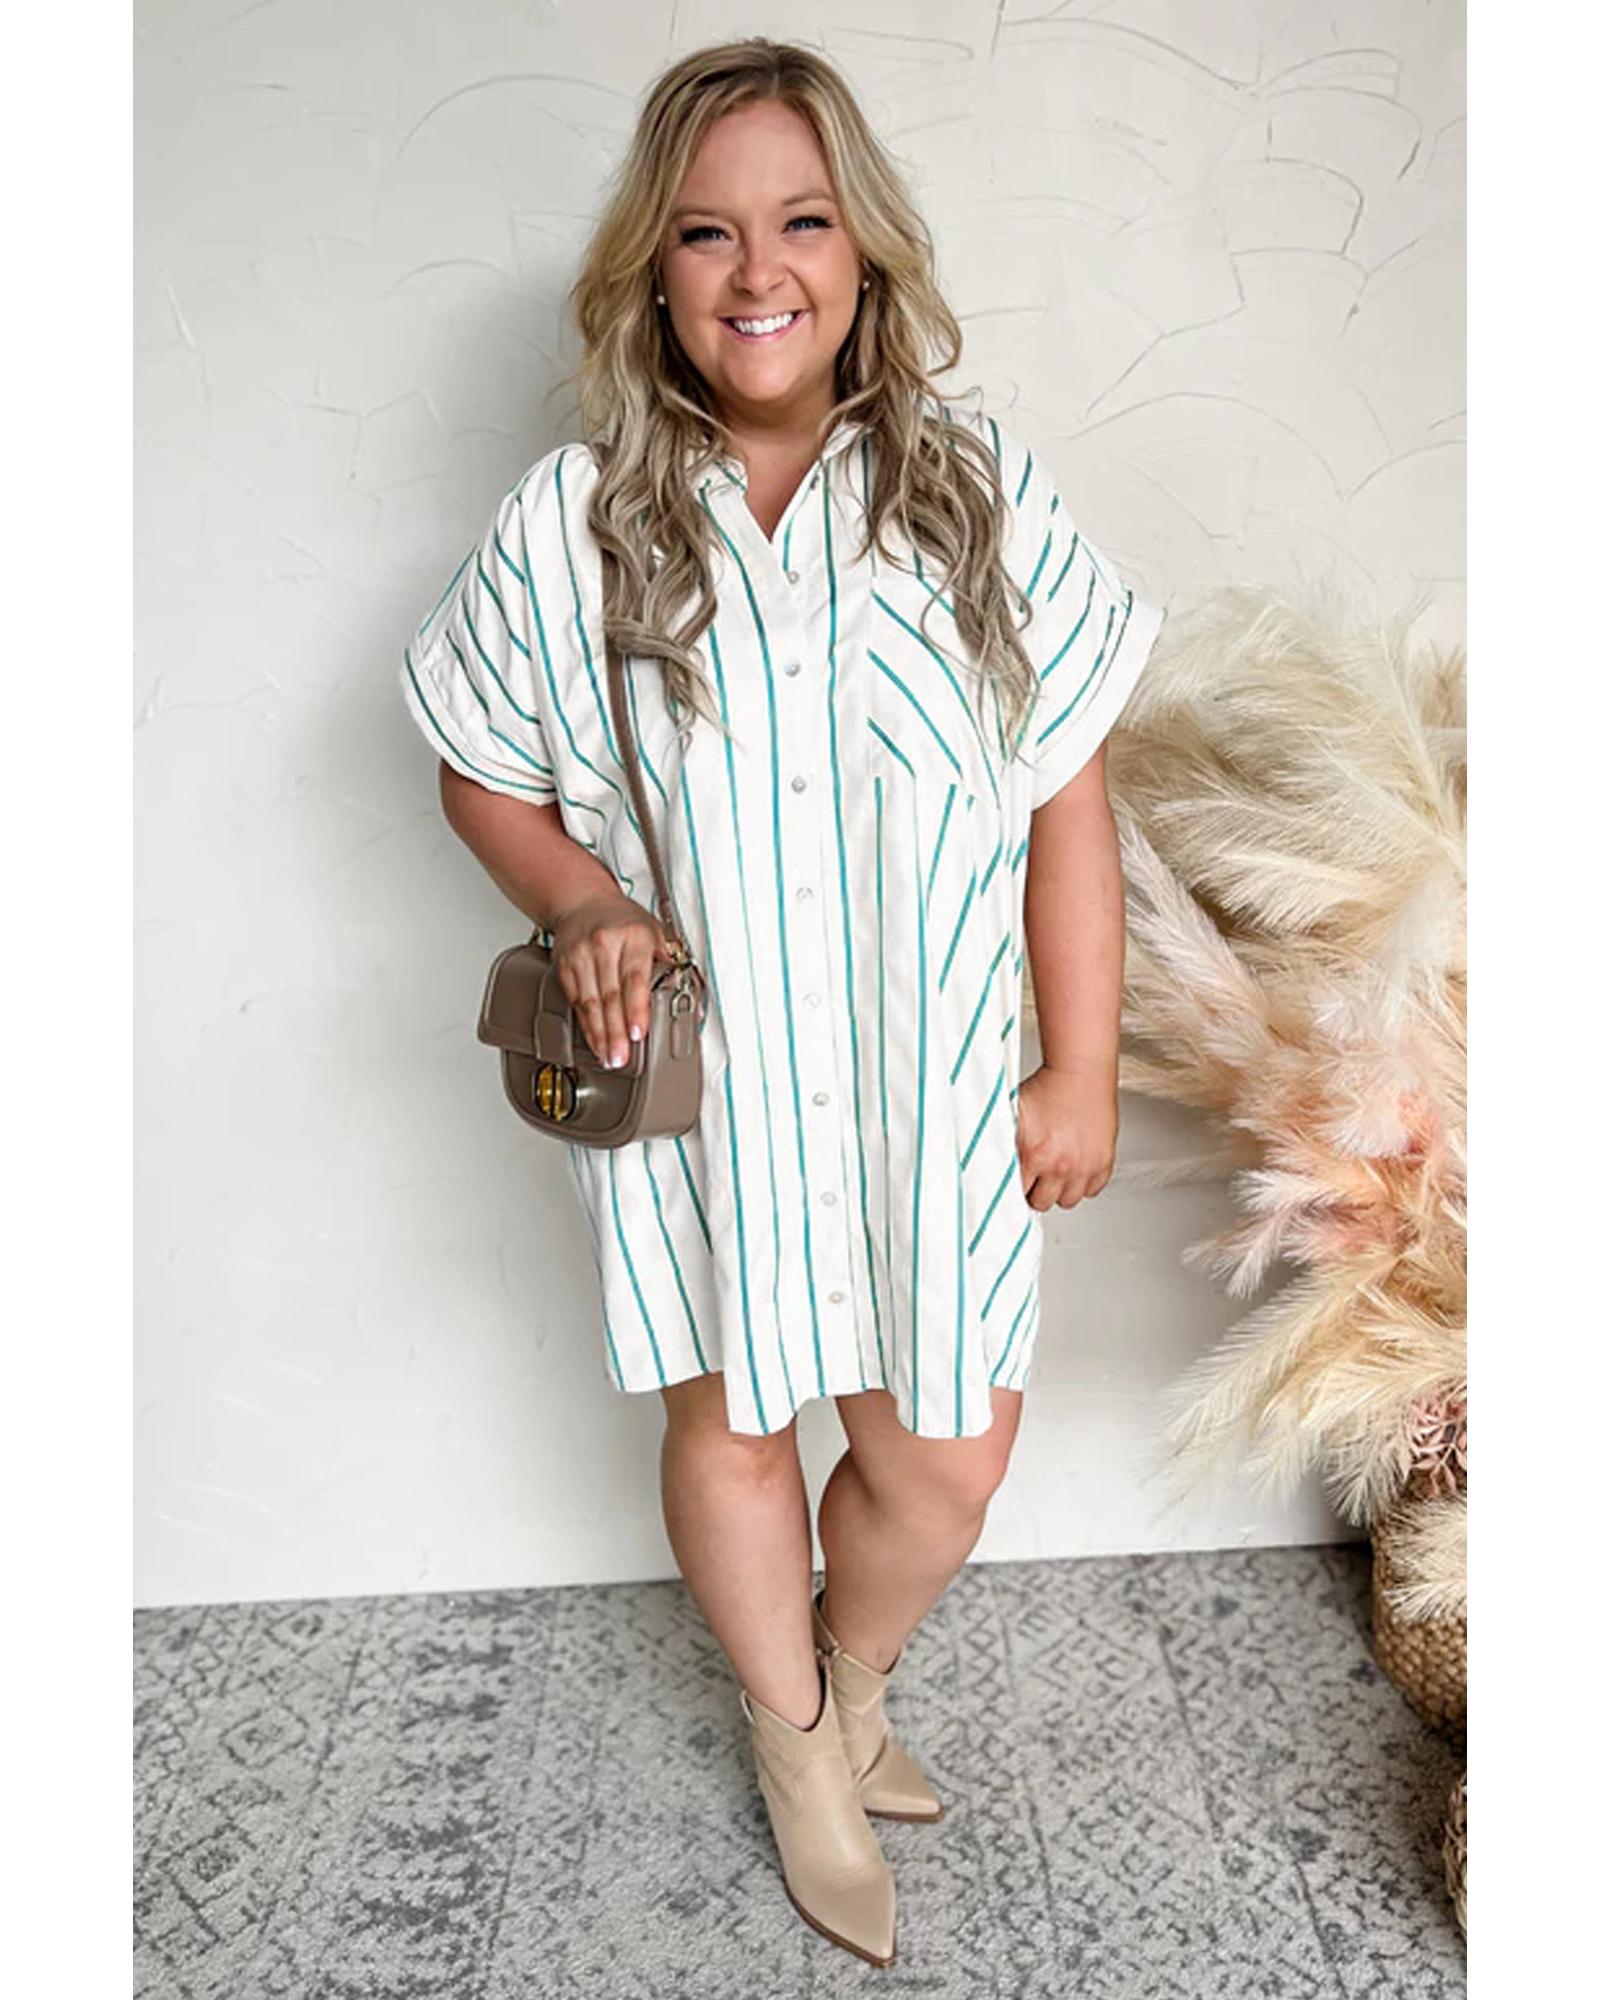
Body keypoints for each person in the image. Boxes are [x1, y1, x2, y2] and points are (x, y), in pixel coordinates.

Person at [399, 37, 1165, 1970]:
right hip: (706, 1089)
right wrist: (585, 898)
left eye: (803, 221)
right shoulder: (573, 520)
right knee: (736, 1415)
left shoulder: (975, 495)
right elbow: (479, 772)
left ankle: (836, 1678)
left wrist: (1080, 1063)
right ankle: (799, 1742)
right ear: (652, 271)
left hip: (936, 1081)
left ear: (864, 251)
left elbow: (1071, 801)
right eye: (707, 232)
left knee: (945, 1454)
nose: (759, 271)